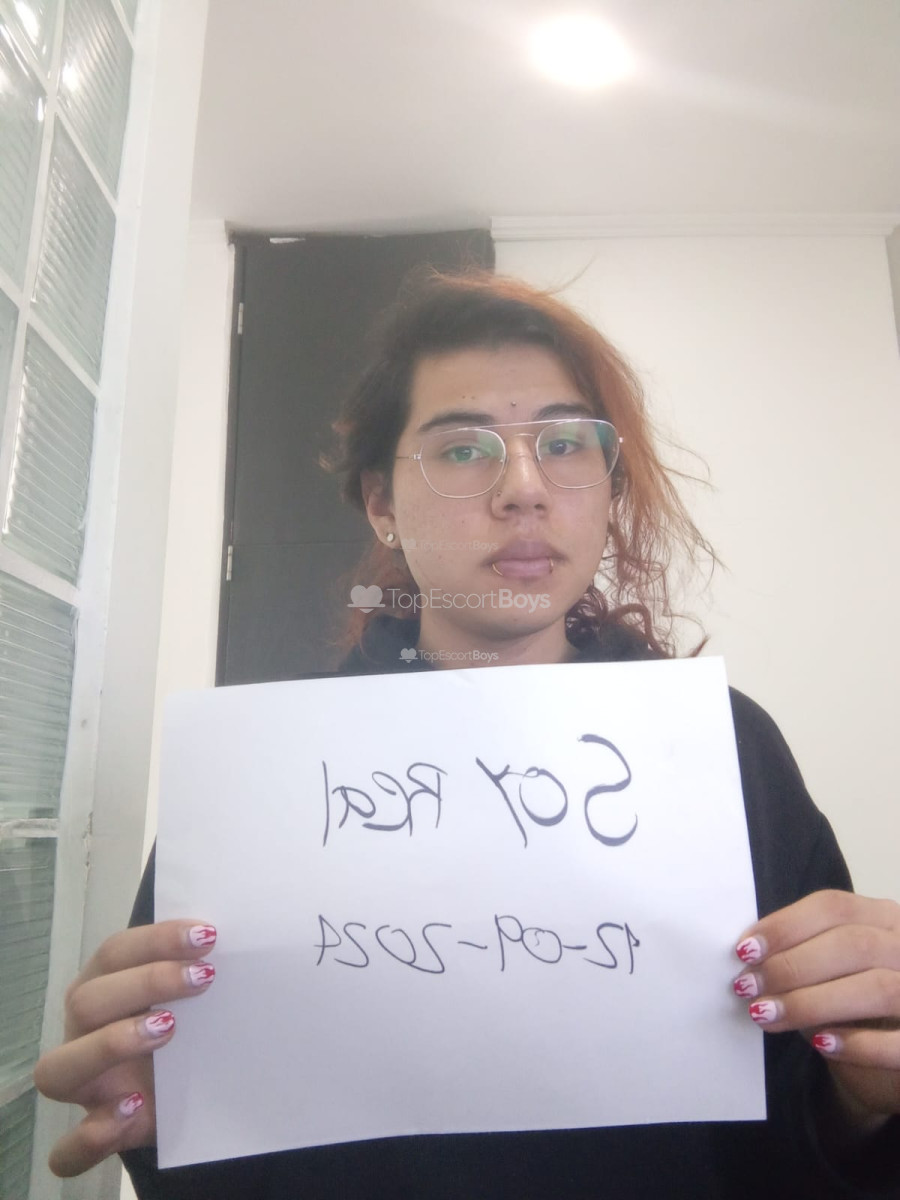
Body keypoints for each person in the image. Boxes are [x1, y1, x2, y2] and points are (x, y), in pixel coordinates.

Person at [34, 271, 900, 1198]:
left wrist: (866, 1097)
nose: (524, 489)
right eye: (460, 450)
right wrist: (163, 1117)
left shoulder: (727, 750)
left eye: (564, 443)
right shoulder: (261, 770)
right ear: (380, 503)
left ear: (608, 487)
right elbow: (214, 1135)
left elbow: (803, 1122)